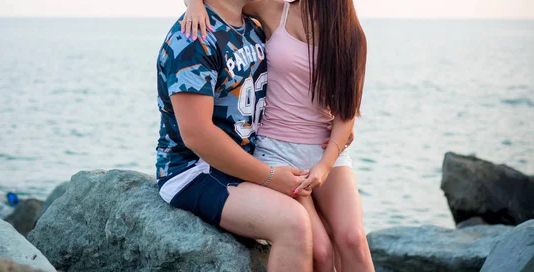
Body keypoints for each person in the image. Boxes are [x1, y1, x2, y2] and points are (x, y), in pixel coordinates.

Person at [181, 0, 374, 271]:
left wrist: (325, 164)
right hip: (275, 150)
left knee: (352, 239)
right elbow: (224, 2)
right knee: (320, 251)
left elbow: (347, 112)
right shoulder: (274, 9)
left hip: (326, 151)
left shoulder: (351, 36)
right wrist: (194, 4)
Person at [155, 0, 324, 270]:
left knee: (326, 228)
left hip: (245, 161)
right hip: (194, 170)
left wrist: (335, 126)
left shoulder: (252, 28)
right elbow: (197, 135)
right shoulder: (193, 36)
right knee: (293, 223)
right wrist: (269, 177)